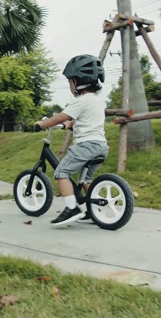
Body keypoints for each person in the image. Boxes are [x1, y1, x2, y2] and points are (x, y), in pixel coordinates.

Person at [33, 54, 108, 226]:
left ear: (78, 81)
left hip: (86, 145)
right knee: (85, 180)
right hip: (101, 145)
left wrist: (43, 124)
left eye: (70, 81)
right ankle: (93, 210)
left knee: (62, 172)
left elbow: (60, 116)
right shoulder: (97, 101)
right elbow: (87, 120)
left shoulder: (80, 101)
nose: (69, 85)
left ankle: (71, 208)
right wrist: (70, 125)